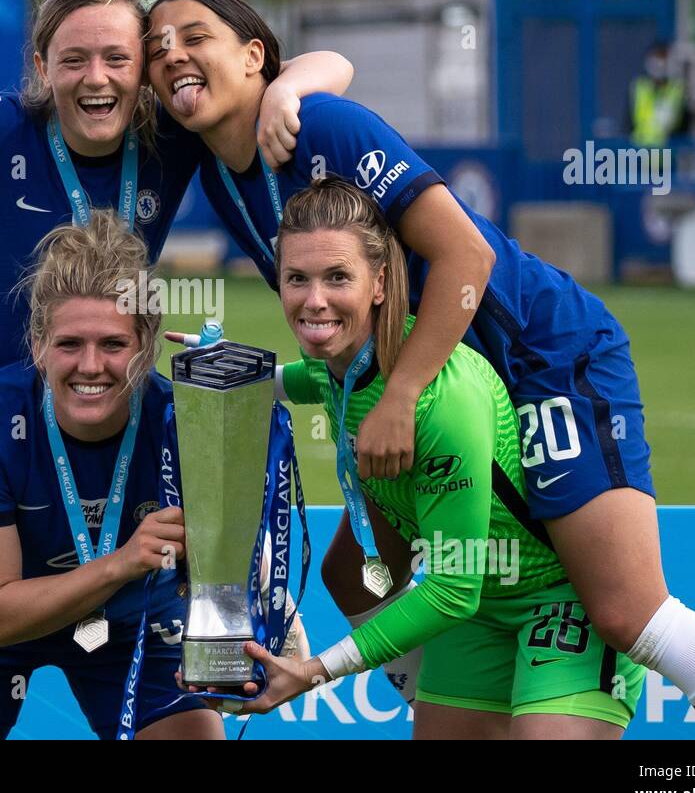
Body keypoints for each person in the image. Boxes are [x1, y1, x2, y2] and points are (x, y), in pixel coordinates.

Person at [146, 0, 695, 739]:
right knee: (351, 574)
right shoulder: (219, 174)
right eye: (156, 46)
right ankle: (452, 698)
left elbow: (468, 252)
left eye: (192, 35)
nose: (172, 54)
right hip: (438, 384)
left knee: (626, 610)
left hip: (537, 352)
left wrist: (403, 391)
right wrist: (257, 377)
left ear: (254, 55)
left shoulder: (315, 124)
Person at [0, 0, 353, 738]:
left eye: (117, 58)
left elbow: (327, 61)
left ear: (143, 71)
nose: (95, 77)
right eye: (73, 58)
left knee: (198, 449)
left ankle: (245, 592)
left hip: (98, 395)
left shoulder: (173, 137)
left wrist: (286, 90)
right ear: (42, 66)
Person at [203, 179, 645, 737]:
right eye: (298, 279)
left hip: (557, 597)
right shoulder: (339, 355)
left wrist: (316, 671)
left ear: (380, 283)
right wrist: (210, 376)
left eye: (338, 277)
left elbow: (451, 589)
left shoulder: (440, 400)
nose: (314, 300)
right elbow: (304, 379)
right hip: (480, 612)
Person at [0, 211, 224, 739]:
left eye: (114, 345)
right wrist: (120, 564)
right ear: (37, 344)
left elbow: (221, 563)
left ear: (147, 344)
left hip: (129, 624)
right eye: (70, 344)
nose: (91, 366)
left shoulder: (186, 420)